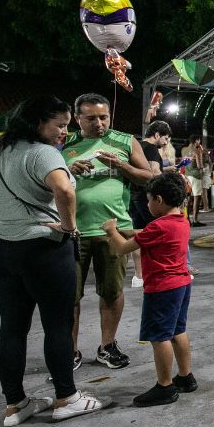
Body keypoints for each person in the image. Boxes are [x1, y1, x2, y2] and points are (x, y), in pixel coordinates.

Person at [0, 96, 107, 424]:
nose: (64, 131)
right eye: (59, 125)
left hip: (0, 250)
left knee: (12, 327)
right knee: (57, 324)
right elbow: (64, 191)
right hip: (43, 249)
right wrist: (69, 226)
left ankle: (15, 404)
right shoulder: (43, 152)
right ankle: (66, 397)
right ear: (37, 123)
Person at [64, 94, 153, 370]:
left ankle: (107, 346)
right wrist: (67, 170)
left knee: (112, 292)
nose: (99, 123)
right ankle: (70, 350)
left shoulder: (126, 141)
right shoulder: (64, 143)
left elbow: (149, 176)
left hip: (113, 230)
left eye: (104, 117)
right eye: (91, 118)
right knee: (69, 296)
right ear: (77, 118)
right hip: (72, 231)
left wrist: (121, 166)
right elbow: (43, 178)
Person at [100, 172, 196, 407]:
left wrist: (112, 230)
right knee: (177, 331)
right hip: (181, 285)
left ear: (159, 200)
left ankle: (165, 386)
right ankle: (185, 377)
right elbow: (147, 234)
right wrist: (132, 231)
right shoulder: (181, 221)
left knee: (159, 337)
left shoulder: (158, 226)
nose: (147, 203)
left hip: (162, 289)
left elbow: (122, 249)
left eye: (149, 199)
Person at [130, 121, 171, 289]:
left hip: (133, 196)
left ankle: (138, 276)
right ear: (156, 135)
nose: (166, 142)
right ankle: (164, 272)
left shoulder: (137, 147)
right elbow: (154, 173)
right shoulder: (152, 149)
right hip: (148, 199)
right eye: (166, 138)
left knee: (138, 236)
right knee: (161, 235)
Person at [179, 135, 207, 226]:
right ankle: (195, 220)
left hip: (187, 175)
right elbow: (200, 166)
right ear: (196, 141)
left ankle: (187, 219)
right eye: (199, 141)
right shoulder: (197, 151)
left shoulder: (184, 150)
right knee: (197, 197)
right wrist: (202, 158)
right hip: (196, 176)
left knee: (188, 198)